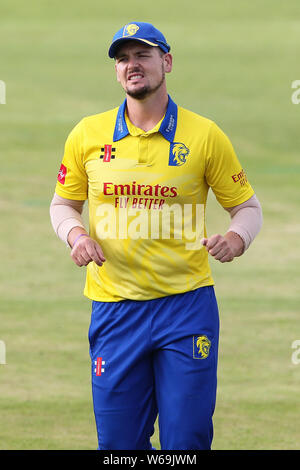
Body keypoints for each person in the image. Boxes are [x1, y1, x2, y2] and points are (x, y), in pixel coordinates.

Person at [50, 21, 263, 450]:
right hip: (114, 311)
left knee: (188, 441)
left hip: (186, 308)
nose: (132, 65)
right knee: (119, 445)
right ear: (116, 71)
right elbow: (62, 204)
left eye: (142, 55)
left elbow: (247, 207)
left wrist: (237, 239)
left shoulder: (204, 135)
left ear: (166, 62)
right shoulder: (87, 135)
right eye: (123, 58)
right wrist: (75, 236)